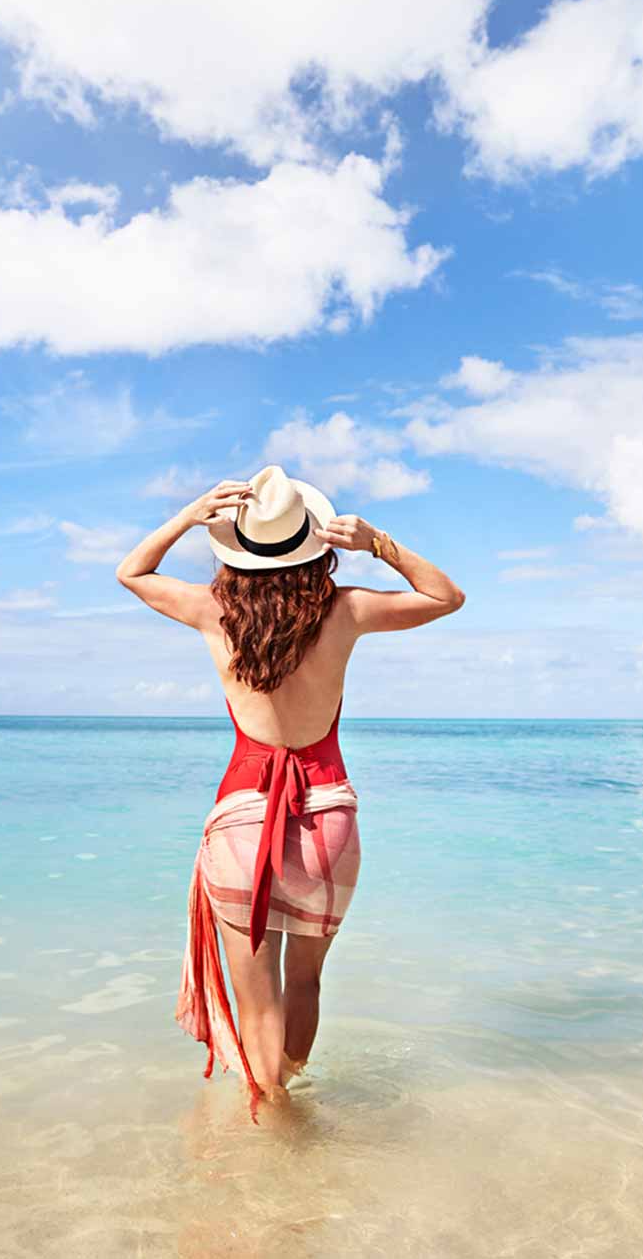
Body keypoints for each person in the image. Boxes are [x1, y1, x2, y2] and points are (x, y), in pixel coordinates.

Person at [115, 464, 465, 1121]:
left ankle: (270, 1116)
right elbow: (446, 597)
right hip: (327, 816)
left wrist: (189, 514)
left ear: (236, 547)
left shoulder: (210, 610)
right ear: (314, 541)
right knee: (304, 980)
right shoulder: (347, 609)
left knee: (257, 1001)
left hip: (241, 823)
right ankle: (290, 1095)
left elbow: (131, 573)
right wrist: (379, 544)